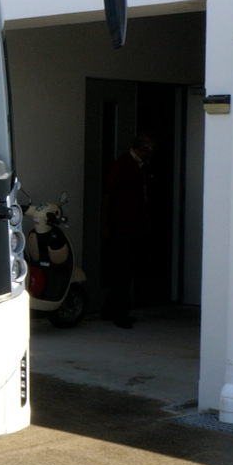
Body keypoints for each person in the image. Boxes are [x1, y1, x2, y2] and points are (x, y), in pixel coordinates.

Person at [100, 133, 156, 328]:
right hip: (122, 226)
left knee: (128, 269)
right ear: (142, 149)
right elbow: (108, 194)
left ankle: (110, 309)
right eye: (149, 149)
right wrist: (106, 224)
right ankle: (119, 313)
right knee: (122, 270)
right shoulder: (123, 165)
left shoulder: (142, 167)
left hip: (134, 226)